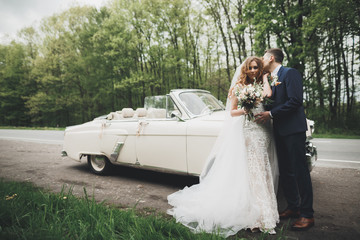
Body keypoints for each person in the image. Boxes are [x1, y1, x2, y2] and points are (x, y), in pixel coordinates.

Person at [167, 56, 279, 237]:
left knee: (263, 171)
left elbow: (268, 95)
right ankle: (256, 217)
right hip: (249, 131)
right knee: (253, 172)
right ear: (245, 69)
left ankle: (266, 213)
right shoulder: (239, 87)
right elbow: (232, 111)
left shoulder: (261, 84)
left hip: (263, 132)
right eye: (249, 67)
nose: (252, 70)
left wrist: (265, 78)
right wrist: (245, 110)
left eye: (256, 67)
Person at [255, 48, 315, 230]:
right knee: (286, 170)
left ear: (271, 58)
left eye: (263, 57)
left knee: (300, 171)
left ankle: (307, 214)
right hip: (279, 130)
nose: (261, 60)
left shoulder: (290, 73)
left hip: (293, 130)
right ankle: (293, 207)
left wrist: (271, 114)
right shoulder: (270, 78)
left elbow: (295, 100)